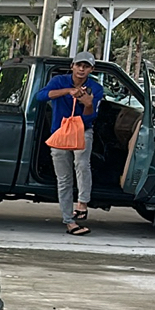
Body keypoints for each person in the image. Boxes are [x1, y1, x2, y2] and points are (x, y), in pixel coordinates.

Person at [41, 51, 105, 236]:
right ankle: (69, 221)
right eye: (79, 65)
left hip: (83, 131)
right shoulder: (60, 81)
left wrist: (87, 103)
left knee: (82, 164)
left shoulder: (95, 88)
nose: (82, 69)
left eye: (86, 66)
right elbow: (41, 96)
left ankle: (82, 203)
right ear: (72, 66)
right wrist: (68, 91)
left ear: (91, 69)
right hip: (60, 134)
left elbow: (91, 116)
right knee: (64, 179)